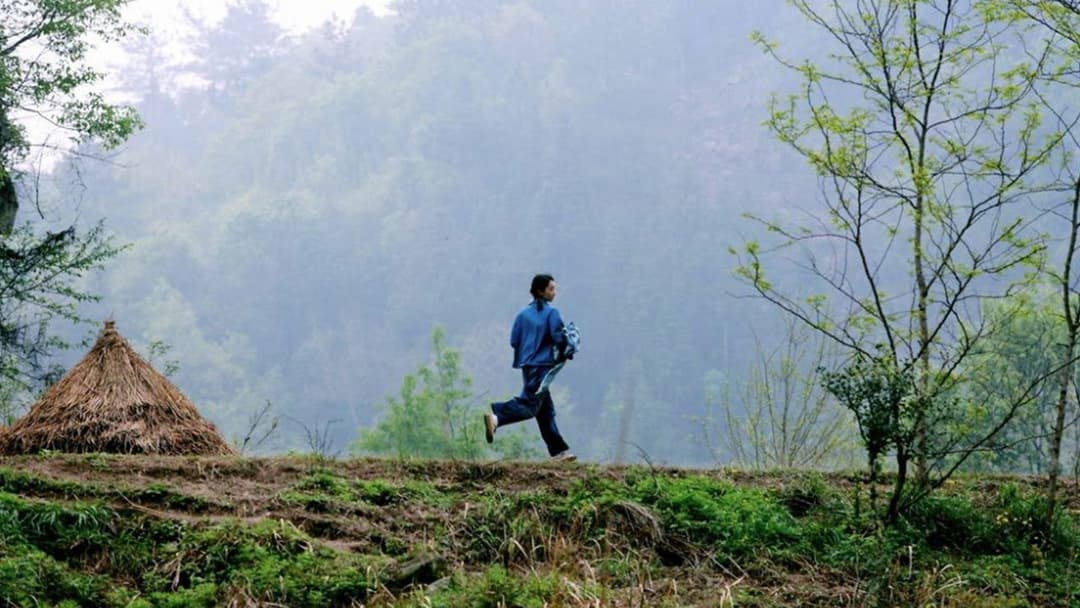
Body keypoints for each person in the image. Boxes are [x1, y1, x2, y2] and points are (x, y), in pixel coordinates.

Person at [484, 273, 575, 461]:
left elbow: (514, 340)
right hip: (542, 366)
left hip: (527, 366)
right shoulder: (552, 313)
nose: (554, 292)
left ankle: (559, 452)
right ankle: (497, 417)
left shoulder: (522, 315)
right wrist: (568, 348)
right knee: (529, 405)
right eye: (551, 289)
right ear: (540, 291)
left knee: (545, 410)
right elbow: (559, 337)